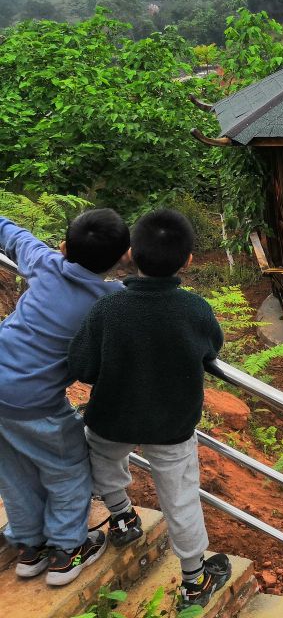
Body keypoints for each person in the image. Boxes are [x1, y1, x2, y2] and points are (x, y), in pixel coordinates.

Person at [68, 209, 231, 608]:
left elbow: (82, 367)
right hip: (171, 425)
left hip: (112, 418)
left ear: (131, 256)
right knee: (180, 497)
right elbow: (212, 348)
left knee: (101, 461)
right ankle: (194, 580)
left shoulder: (107, 309)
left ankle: (122, 517)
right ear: (188, 260)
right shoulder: (195, 310)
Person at [0, 208, 129, 585]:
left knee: (14, 470)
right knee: (68, 467)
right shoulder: (110, 301)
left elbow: (12, 234)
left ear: (62, 245)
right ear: (124, 256)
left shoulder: (45, 262)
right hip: (35, 402)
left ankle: (29, 545)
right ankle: (67, 549)